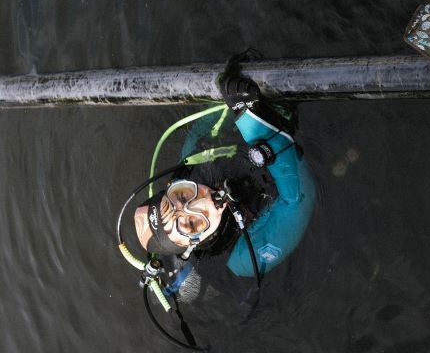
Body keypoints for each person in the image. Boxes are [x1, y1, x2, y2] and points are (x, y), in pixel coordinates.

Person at [119, 52, 315, 345]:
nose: (200, 203)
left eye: (180, 197)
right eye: (190, 223)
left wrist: (227, 85)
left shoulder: (193, 155)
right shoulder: (241, 258)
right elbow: (299, 200)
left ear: (174, 184)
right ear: (192, 244)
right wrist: (254, 123)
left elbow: (215, 113)